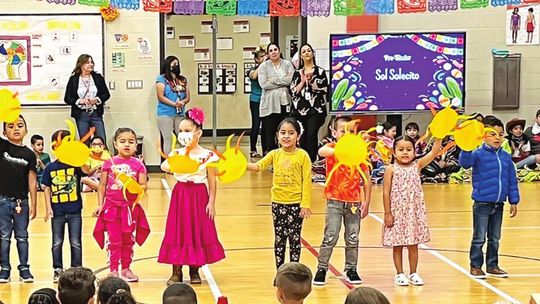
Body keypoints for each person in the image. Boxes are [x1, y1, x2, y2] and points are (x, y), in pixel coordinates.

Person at [158, 108, 225, 285]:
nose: (183, 134)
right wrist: (178, 162)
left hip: (199, 195)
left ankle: (195, 269)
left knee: (197, 230)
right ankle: (176, 271)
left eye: (187, 130)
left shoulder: (207, 155)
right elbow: (166, 168)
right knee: (177, 230)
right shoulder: (176, 153)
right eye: (180, 131)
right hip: (180, 195)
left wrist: (211, 202)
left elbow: (212, 180)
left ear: (198, 132)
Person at [313, 117, 371, 286]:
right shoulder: (332, 147)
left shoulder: (358, 152)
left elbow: (366, 178)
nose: (347, 134)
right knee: (330, 236)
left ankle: (351, 268)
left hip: (353, 202)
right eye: (343, 131)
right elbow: (322, 151)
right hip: (334, 201)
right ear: (334, 133)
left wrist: (366, 201)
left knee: (352, 237)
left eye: (351, 131)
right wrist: (342, 149)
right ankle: (322, 268)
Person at [459, 116, 519, 279]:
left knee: (495, 238)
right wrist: (466, 146)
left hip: (499, 204)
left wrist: (514, 200)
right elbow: (464, 163)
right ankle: (476, 266)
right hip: (482, 204)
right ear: (483, 136)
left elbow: (512, 179)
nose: (497, 137)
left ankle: (492, 265)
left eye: (500, 134)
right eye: (492, 134)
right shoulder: (477, 154)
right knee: (479, 237)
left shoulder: (506, 156)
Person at [247, 118, 312, 269]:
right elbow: (258, 167)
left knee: (295, 239)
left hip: (296, 204)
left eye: (291, 133)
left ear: (298, 136)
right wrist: (240, 165)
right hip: (278, 203)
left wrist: (305, 205)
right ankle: (281, 271)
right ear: (277, 135)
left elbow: (306, 181)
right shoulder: (274, 154)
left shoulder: (303, 156)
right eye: (283, 133)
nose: (286, 136)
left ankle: (294, 271)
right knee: (280, 239)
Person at [382, 135, 442, 286]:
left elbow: (434, 152)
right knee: (398, 245)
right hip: (396, 213)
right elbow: (385, 192)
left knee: (413, 244)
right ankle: (399, 273)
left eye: (409, 149)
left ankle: (413, 273)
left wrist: (439, 137)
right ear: (394, 152)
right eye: (401, 149)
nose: (405, 153)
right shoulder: (390, 169)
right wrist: (387, 213)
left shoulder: (417, 166)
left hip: (413, 213)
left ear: (415, 152)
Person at [92, 128, 150, 282]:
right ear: (115, 144)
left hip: (130, 209)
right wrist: (100, 205)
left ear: (136, 145)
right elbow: (102, 186)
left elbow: (143, 186)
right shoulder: (108, 163)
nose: (127, 145)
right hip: (111, 208)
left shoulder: (138, 164)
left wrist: (131, 185)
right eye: (122, 141)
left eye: (131, 142)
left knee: (128, 239)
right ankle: (113, 269)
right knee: (114, 239)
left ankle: (126, 268)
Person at [41, 130, 90, 283]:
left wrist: (79, 157)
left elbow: (87, 172)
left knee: (76, 241)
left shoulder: (75, 166)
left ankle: (77, 269)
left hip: (74, 210)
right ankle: (57, 269)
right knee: (57, 242)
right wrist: (48, 207)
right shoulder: (50, 167)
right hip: (58, 211)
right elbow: (46, 187)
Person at [0, 115, 37, 283]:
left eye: (20, 125)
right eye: (10, 126)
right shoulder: (2, 146)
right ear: (4, 131)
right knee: (4, 237)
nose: (16, 128)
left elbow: (32, 179)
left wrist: (34, 203)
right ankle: (5, 268)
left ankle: (24, 268)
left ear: (26, 130)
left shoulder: (30, 154)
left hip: (21, 203)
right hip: (2, 201)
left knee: (22, 236)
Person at [290, 43, 328, 162]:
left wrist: (311, 82)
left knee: (311, 133)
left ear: (312, 53)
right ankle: (304, 160)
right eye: (304, 51)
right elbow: (293, 91)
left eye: (309, 51)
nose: (306, 53)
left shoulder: (320, 71)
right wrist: (302, 81)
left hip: (316, 109)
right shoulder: (297, 73)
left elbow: (325, 89)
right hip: (299, 109)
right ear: (301, 56)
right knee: (303, 135)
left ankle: (312, 161)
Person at [64, 54, 110, 144]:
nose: (91, 64)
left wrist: (96, 99)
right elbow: (67, 98)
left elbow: (106, 94)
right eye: (88, 63)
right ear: (81, 65)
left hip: (96, 113)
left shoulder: (98, 77)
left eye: (92, 62)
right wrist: (80, 101)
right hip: (81, 114)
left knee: (101, 139)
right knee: (85, 141)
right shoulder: (74, 79)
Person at [258, 43, 295, 152]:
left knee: (284, 132)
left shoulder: (287, 64)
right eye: (271, 50)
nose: (273, 52)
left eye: (275, 49)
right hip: (269, 105)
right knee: (270, 133)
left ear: (279, 51)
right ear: (268, 54)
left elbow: (290, 80)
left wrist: (273, 79)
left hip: (284, 103)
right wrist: (282, 81)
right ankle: (271, 158)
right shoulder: (264, 66)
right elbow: (264, 84)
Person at [156, 55, 190, 155]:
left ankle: (184, 160)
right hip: (165, 113)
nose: (176, 66)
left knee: (183, 137)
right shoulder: (161, 79)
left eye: (177, 64)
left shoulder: (182, 80)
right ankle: (169, 163)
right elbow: (160, 96)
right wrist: (174, 104)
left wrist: (182, 102)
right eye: (174, 64)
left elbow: (187, 96)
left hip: (180, 113)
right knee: (168, 138)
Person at [247, 46, 268, 158]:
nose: (264, 58)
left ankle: (265, 149)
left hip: (266, 100)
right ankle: (253, 149)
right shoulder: (251, 70)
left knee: (265, 126)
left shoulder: (267, 70)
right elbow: (254, 76)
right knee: (256, 124)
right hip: (255, 100)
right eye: (261, 57)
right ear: (256, 60)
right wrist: (262, 64)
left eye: (265, 56)